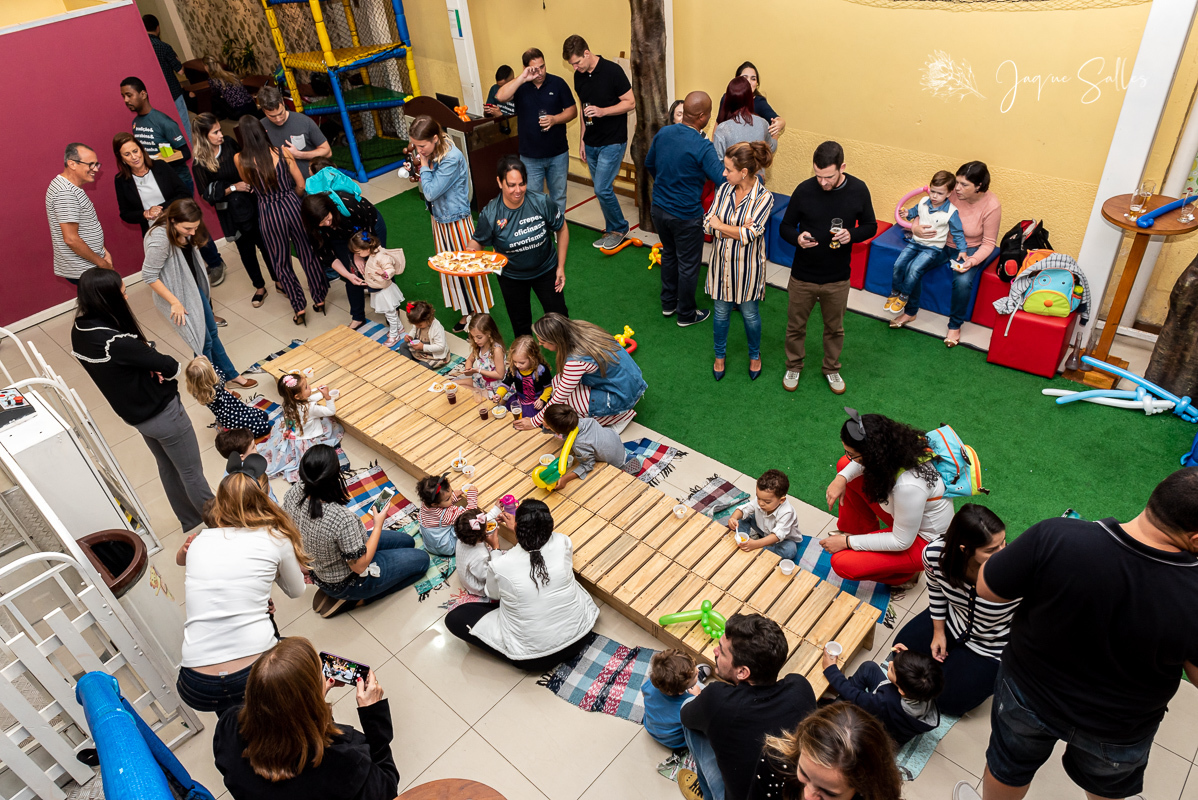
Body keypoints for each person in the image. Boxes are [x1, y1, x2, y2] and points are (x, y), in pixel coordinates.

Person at [952, 468, 1198, 800]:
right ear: (1195, 538)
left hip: (1027, 695)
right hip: (1119, 726)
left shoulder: (1057, 535)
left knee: (1008, 765)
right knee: (1106, 787)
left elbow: (988, 587)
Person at [71, 268, 212, 532]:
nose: (126, 297)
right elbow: (171, 367)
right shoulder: (117, 341)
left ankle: (190, 519)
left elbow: (122, 368)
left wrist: (144, 363)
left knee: (168, 466)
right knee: (191, 472)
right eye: (122, 292)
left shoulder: (79, 330)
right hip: (164, 414)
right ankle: (221, 523)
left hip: (137, 416)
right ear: (106, 298)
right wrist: (151, 361)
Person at [174, 460, 307, 713]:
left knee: (232, 715)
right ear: (263, 498)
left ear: (220, 501)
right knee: (296, 658)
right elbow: (296, 591)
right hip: (254, 671)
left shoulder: (200, 541)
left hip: (195, 683)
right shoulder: (275, 538)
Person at [213, 637, 400, 800]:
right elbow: (387, 788)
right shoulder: (343, 763)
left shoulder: (228, 727)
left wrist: (311, 700)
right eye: (320, 673)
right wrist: (373, 715)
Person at [444, 499, 599, 671]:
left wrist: (495, 549)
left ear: (518, 527)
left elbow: (493, 594)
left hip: (536, 659)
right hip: (582, 634)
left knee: (455, 618)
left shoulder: (501, 564)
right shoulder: (563, 541)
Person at [894, 503, 1017, 717]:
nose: (1002, 553)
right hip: (953, 621)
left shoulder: (1017, 572)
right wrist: (938, 631)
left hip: (993, 644)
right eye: (991, 550)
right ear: (964, 549)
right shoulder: (935, 555)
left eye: (1003, 544)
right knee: (900, 655)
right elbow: (936, 590)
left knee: (947, 701)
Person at [678, 613, 817, 800]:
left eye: (722, 650)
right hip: (788, 790)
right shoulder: (800, 688)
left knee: (689, 707)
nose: (714, 651)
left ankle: (708, 794)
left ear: (743, 672)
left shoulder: (718, 700)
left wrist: (704, 702)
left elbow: (686, 717)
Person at [284, 445, 430, 618]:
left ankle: (334, 591)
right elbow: (360, 567)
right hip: (350, 579)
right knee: (422, 561)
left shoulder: (293, 492)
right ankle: (356, 599)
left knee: (408, 541)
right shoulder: (341, 519)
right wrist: (377, 524)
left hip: (325, 561)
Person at [779, 141, 877, 395]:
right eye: (818, 175)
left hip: (837, 278)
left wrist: (852, 235)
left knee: (835, 328)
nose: (822, 182)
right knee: (795, 326)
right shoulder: (803, 190)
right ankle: (794, 365)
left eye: (829, 177)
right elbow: (786, 227)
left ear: (842, 167)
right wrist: (797, 238)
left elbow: (870, 225)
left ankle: (831, 368)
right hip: (803, 276)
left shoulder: (858, 189)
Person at [822, 408, 954, 586]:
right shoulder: (897, 445)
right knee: (844, 466)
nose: (851, 458)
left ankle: (905, 576)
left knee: (842, 563)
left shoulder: (909, 486)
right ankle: (857, 531)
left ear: (873, 454)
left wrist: (847, 542)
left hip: (923, 540)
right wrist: (841, 478)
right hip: (905, 514)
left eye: (853, 455)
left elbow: (901, 541)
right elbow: (852, 466)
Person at [120, 76, 227, 285]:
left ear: (143, 94)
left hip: (178, 184)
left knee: (192, 227)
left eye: (129, 95)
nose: (126, 100)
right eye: (123, 96)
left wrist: (158, 161)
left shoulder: (164, 122)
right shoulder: (135, 124)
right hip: (157, 187)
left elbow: (186, 153)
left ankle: (215, 263)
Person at [140, 199, 255, 391]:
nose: (192, 233)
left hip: (192, 288)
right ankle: (214, 390)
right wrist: (174, 302)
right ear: (173, 221)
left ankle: (230, 374)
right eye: (188, 228)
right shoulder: (159, 238)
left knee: (211, 333)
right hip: (177, 297)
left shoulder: (182, 228)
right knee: (202, 343)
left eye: (195, 227)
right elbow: (149, 276)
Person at [893, 161, 1002, 347]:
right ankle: (911, 311)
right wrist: (915, 227)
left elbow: (989, 243)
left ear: (979, 187)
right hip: (940, 242)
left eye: (964, 185)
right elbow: (925, 208)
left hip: (970, 248)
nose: (957, 188)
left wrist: (973, 260)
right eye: (957, 182)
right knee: (914, 266)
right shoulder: (951, 193)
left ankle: (955, 325)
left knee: (962, 282)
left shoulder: (992, 206)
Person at [236, 115, 328, 325]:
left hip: (268, 210)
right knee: (307, 252)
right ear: (263, 132)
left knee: (281, 261)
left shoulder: (240, 159)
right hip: (292, 204)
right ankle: (320, 298)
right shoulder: (282, 152)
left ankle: (299, 307)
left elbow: (249, 183)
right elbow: (301, 185)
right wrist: (291, 197)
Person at [645, 91, 726, 327]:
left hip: (659, 208)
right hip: (686, 215)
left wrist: (666, 184)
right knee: (689, 264)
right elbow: (721, 179)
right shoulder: (703, 146)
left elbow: (650, 163)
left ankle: (668, 304)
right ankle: (687, 314)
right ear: (702, 116)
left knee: (669, 254)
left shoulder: (664, 133)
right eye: (709, 113)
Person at [467, 156, 568, 338]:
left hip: (546, 270)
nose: (518, 190)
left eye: (522, 184)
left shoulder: (541, 201)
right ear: (499, 182)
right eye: (511, 185)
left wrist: (560, 266)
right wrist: (470, 252)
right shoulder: (490, 213)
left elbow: (562, 228)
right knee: (521, 325)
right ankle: (527, 364)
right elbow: (477, 241)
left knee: (560, 320)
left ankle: (572, 361)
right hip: (511, 277)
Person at [409, 115, 493, 331]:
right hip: (440, 221)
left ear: (435, 138)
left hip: (457, 223)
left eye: (421, 146)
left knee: (469, 270)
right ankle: (466, 312)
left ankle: (481, 315)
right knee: (451, 270)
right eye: (415, 145)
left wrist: (424, 166)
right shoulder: (435, 150)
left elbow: (429, 191)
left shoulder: (451, 157)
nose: (418, 151)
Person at [704, 141, 774, 381]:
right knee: (721, 314)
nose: (723, 173)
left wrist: (720, 226)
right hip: (720, 267)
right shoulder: (723, 189)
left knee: (750, 315)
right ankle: (719, 357)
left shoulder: (764, 198)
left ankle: (755, 356)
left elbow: (750, 234)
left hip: (748, 271)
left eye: (728, 169)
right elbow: (706, 223)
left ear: (743, 172)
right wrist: (734, 229)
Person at [191, 113, 275, 307]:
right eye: (215, 132)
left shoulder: (229, 143)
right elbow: (206, 195)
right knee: (246, 251)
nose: (221, 134)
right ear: (204, 136)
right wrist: (233, 188)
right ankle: (260, 287)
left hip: (251, 203)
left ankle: (278, 281)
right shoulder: (200, 163)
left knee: (265, 245)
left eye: (220, 130)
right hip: (231, 215)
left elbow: (245, 164)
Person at [563, 34, 634, 249]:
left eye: (576, 62)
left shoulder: (613, 71)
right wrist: (583, 140)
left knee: (602, 189)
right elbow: (585, 109)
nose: (575, 68)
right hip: (592, 141)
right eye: (571, 64)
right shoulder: (580, 76)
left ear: (586, 53)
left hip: (613, 141)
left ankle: (620, 227)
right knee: (602, 188)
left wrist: (603, 111)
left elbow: (630, 102)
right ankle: (612, 229)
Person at [518, 313, 646, 432]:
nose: (540, 344)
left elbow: (558, 399)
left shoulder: (575, 360)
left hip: (623, 394)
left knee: (570, 405)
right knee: (557, 382)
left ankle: (621, 416)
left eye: (543, 342)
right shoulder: (580, 328)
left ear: (555, 341)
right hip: (631, 382)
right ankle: (615, 411)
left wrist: (534, 421)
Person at [750, 703, 903, 800]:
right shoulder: (775, 762)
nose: (808, 796)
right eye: (804, 774)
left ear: (864, 788)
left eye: (829, 793)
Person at [493, 47, 578, 214]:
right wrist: (522, 78)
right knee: (532, 197)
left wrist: (555, 119)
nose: (540, 72)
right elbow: (500, 97)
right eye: (535, 68)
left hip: (558, 153)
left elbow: (572, 111)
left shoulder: (558, 83)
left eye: (542, 66)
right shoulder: (520, 86)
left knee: (558, 195)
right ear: (526, 68)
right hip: (530, 156)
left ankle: (557, 227)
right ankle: (538, 231)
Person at [821, 643, 943, 746]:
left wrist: (831, 669)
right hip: (898, 722)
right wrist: (907, 659)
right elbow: (918, 674)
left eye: (892, 670)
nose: (890, 663)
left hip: (880, 729)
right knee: (869, 668)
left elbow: (856, 697)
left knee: (842, 704)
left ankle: (833, 707)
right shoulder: (927, 689)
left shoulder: (885, 700)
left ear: (902, 690)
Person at [300, 185, 385, 329]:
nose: (327, 223)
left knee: (379, 265)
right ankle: (358, 317)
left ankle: (392, 310)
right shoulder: (313, 229)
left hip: (368, 228)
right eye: (322, 223)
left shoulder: (348, 205)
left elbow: (366, 231)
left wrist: (358, 255)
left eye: (328, 218)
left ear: (331, 209)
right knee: (353, 273)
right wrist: (348, 274)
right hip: (338, 237)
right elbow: (327, 256)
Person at [886, 170, 967, 315]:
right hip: (915, 242)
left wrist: (962, 250)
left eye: (940, 193)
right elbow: (915, 211)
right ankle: (895, 292)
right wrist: (907, 214)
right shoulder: (924, 201)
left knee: (914, 269)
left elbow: (958, 233)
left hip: (932, 248)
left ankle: (904, 296)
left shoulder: (951, 212)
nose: (934, 196)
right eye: (932, 191)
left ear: (949, 194)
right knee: (898, 264)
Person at [260, 370, 342, 483]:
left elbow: (307, 399)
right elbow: (330, 411)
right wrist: (327, 397)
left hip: (292, 431)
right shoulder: (310, 409)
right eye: (307, 387)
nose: (310, 387)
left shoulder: (289, 402)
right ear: (297, 396)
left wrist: (320, 394)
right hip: (306, 436)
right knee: (329, 422)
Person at [47, 143, 110, 283]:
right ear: (72, 164)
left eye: (97, 164)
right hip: (84, 268)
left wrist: (103, 250)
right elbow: (71, 239)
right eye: (91, 164)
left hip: (89, 264)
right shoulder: (65, 193)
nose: (95, 169)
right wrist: (102, 263)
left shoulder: (69, 187)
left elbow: (86, 225)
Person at [540, 403, 631, 489]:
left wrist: (565, 479)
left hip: (617, 461)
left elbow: (587, 465)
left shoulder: (579, 444)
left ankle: (626, 470)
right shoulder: (586, 420)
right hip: (616, 441)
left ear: (556, 431)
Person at [112, 133, 189, 234]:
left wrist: (161, 208)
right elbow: (125, 214)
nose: (134, 157)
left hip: (178, 223)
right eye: (127, 154)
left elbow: (184, 194)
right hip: (152, 231)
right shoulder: (120, 180)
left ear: (141, 149)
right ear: (121, 158)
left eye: (135, 151)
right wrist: (145, 213)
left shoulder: (161, 166)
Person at [184, 355, 272, 437]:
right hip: (233, 419)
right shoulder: (216, 386)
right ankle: (237, 432)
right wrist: (207, 361)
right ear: (210, 376)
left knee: (263, 415)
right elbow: (220, 373)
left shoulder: (199, 390)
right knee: (265, 428)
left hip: (234, 408)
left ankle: (250, 422)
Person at [255, 85, 331, 179]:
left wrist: (299, 154)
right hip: (285, 187)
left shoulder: (304, 121)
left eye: (280, 113)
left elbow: (327, 151)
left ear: (282, 103)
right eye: (272, 116)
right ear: (263, 110)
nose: (278, 119)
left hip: (313, 182)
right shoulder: (259, 127)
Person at [726, 469, 801, 560]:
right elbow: (744, 509)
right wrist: (733, 518)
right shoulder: (761, 502)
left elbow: (777, 536)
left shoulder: (787, 512)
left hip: (782, 540)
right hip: (763, 530)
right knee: (745, 517)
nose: (761, 503)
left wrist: (755, 544)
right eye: (758, 498)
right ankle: (743, 540)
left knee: (790, 550)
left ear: (781, 500)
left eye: (767, 502)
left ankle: (760, 549)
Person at [348, 230, 405, 345]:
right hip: (378, 289)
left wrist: (385, 273)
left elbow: (390, 268)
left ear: (367, 249)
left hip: (384, 291)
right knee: (390, 313)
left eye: (358, 252)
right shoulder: (372, 255)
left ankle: (395, 335)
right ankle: (399, 328)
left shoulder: (381, 256)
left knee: (391, 314)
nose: (358, 255)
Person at [143, 15, 191, 142]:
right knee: (183, 124)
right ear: (157, 28)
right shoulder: (163, 46)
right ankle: (190, 152)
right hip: (173, 91)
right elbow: (180, 70)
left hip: (155, 95)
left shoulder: (142, 48)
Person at [643, 648, 700, 749]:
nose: (698, 670)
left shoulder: (650, 684)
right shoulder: (689, 704)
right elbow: (698, 722)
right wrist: (697, 696)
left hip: (650, 728)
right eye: (695, 674)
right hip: (675, 742)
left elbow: (644, 695)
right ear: (681, 691)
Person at [711, 77, 776, 164]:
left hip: (731, 177)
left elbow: (717, 161)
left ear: (728, 99)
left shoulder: (723, 128)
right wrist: (776, 133)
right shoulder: (763, 124)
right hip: (756, 176)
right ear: (750, 98)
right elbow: (771, 148)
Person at [718, 61, 786, 140]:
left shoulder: (759, 102)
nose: (749, 82)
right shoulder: (726, 98)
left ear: (757, 83)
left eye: (753, 79)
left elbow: (777, 120)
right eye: (744, 78)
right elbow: (718, 124)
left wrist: (781, 123)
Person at [416, 474, 479, 557]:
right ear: (435, 504)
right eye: (448, 498)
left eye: (451, 492)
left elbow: (441, 505)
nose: (452, 497)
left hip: (429, 545)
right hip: (447, 548)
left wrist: (452, 498)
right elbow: (469, 515)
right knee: (467, 524)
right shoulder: (446, 515)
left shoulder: (425, 503)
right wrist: (472, 496)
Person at [493, 335, 553, 416]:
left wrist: (542, 399)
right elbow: (506, 383)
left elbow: (548, 387)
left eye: (522, 363)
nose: (517, 365)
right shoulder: (514, 369)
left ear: (532, 358)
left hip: (537, 403)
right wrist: (499, 394)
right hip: (520, 402)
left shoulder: (541, 370)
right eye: (514, 361)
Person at [215, 428, 278, 503]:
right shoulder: (256, 474)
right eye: (253, 448)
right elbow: (268, 499)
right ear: (241, 457)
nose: (256, 448)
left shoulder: (227, 475)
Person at [453, 508, 502, 596]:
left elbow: (480, 520)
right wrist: (495, 547)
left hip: (468, 569)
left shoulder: (463, 536)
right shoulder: (481, 555)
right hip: (479, 586)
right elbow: (487, 576)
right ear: (483, 534)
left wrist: (496, 510)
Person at [459, 313, 506, 395]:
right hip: (481, 380)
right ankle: (479, 392)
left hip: (496, 386)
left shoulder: (496, 350)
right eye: (473, 337)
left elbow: (500, 375)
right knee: (455, 384)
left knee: (477, 399)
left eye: (479, 337)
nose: (476, 340)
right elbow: (470, 359)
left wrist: (478, 370)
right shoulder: (479, 345)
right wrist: (468, 369)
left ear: (489, 333)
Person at [397, 300, 450, 369]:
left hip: (434, 355)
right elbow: (414, 330)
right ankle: (408, 364)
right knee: (403, 346)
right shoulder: (418, 323)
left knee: (423, 367)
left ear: (429, 319)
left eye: (420, 325)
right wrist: (410, 336)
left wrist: (423, 347)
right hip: (420, 350)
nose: (417, 326)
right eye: (415, 324)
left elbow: (440, 347)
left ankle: (416, 366)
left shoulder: (437, 328)